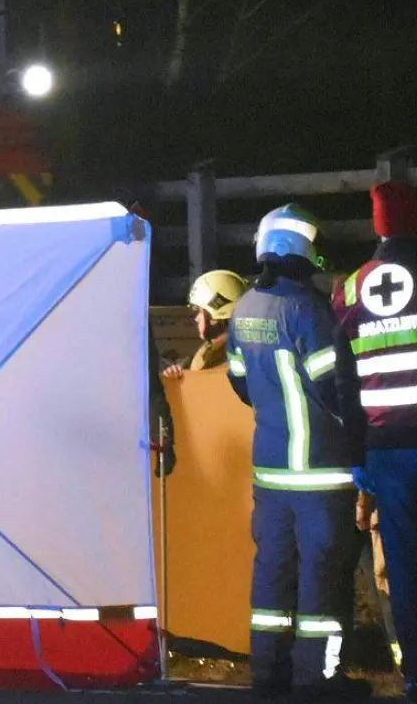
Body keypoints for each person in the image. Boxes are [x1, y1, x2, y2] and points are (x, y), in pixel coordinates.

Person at [226, 204, 370, 701]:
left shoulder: (244, 308)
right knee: (322, 586)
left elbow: (240, 384)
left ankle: (268, 675)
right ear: (304, 250)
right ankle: (320, 680)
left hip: (270, 475)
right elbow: (337, 387)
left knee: (272, 578)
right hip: (321, 476)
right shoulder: (309, 310)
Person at [334, 179, 417, 700]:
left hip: (384, 452)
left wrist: (356, 457)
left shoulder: (349, 288)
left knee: (405, 568)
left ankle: (415, 676)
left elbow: (345, 382)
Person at [163, 269, 248, 379]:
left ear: (214, 316)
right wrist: (178, 370)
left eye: (199, 311)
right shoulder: (213, 350)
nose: (196, 318)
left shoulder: (227, 356)